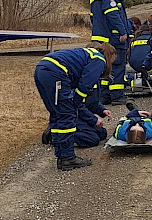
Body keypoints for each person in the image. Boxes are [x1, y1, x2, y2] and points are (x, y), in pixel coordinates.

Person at [34, 43, 116, 171]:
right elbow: (85, 86)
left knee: (57, 114)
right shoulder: (99, 60)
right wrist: (75, 104)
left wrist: (99, 109)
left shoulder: (88, 55)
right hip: (55, 72)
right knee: (66, 115)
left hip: (43, 69)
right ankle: (67, 158)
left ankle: (62, 156)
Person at [90, 0, 132, 104]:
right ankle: (117, 95)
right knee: (117, 64)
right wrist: (122, 31)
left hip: (99, 37)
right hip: (112, 37)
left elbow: (93, 17)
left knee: (105, 65)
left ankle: (104, 95)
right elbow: (112, 14)